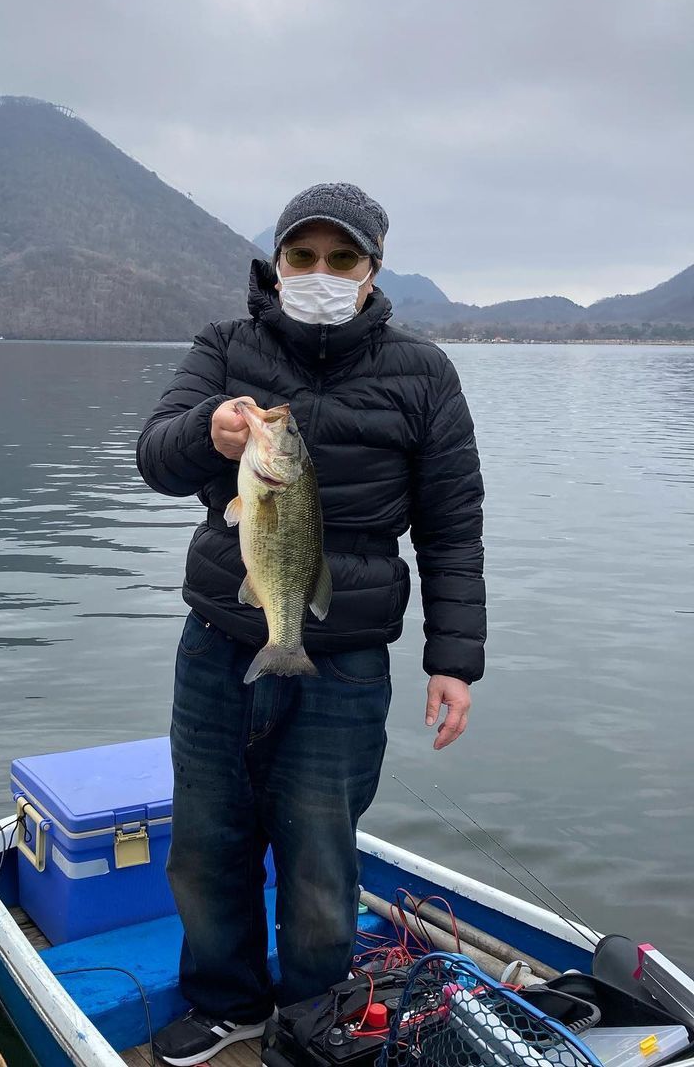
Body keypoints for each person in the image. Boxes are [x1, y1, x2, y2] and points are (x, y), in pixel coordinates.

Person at [135, 182, 486, 1066]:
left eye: (342, 259)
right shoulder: (225, 349)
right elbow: (154, 458)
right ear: (277, 263)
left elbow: (452, 524)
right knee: (208, 841)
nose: (320, 273)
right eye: (303, 256)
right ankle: (226, 1004)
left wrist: (455, 661)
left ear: (372, 272)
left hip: (348, 658)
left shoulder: (425, 374)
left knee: (322, 858)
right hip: (220, 643)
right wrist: (202, 437)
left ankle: (313, 1013)